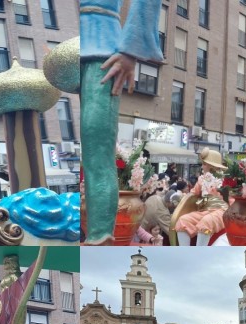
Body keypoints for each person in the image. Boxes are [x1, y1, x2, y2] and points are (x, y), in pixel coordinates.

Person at [81, 0, 164, 245]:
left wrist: (130, 49)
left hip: (102, 51)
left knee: (97, 152)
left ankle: (99, 240)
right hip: (63, 52)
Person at [173, 148, 227, 247]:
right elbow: (193, 193)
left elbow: (231, 200)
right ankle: (184, 252)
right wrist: (181, 197)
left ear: (212, 166)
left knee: (206, 221)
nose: (202, 166)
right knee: (183, 220)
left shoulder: (225, 180)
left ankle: (200, 252)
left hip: (221, 212)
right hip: (204, 211)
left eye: (204, 164)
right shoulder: (202, 179)